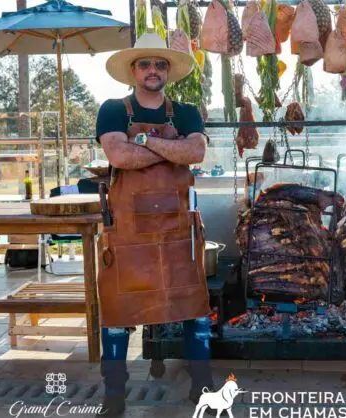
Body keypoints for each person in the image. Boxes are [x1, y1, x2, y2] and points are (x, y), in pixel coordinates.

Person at [94, 32, 214, 417]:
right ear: (133, 70)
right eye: (145, 63)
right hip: (128, 233)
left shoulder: (187, 112)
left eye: (160, 64)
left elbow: (196, 152)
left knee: (194, 309)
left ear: (168, 72)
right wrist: (171, 150)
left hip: (179, 229)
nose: (152, 70)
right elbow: (119, 156)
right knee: (116, 313)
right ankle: (114, 395)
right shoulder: (113, 109)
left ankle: (202, 386)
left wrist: (144, 141)